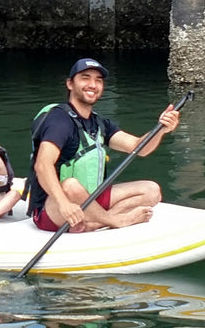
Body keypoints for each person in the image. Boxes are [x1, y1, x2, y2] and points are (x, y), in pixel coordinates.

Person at [27, 58, 180, 232]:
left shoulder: (99, 123)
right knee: (71, 186)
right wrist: (64, 204)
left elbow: (140, 148)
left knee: (151, 191)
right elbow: (42, 164)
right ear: (70, 84)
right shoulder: (59, 120)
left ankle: (95, 223)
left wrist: (160, 129)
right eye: (85, 78)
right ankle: (116, 221)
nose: (93, 84)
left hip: (89, 199)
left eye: (98, 80)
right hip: (54, 207)